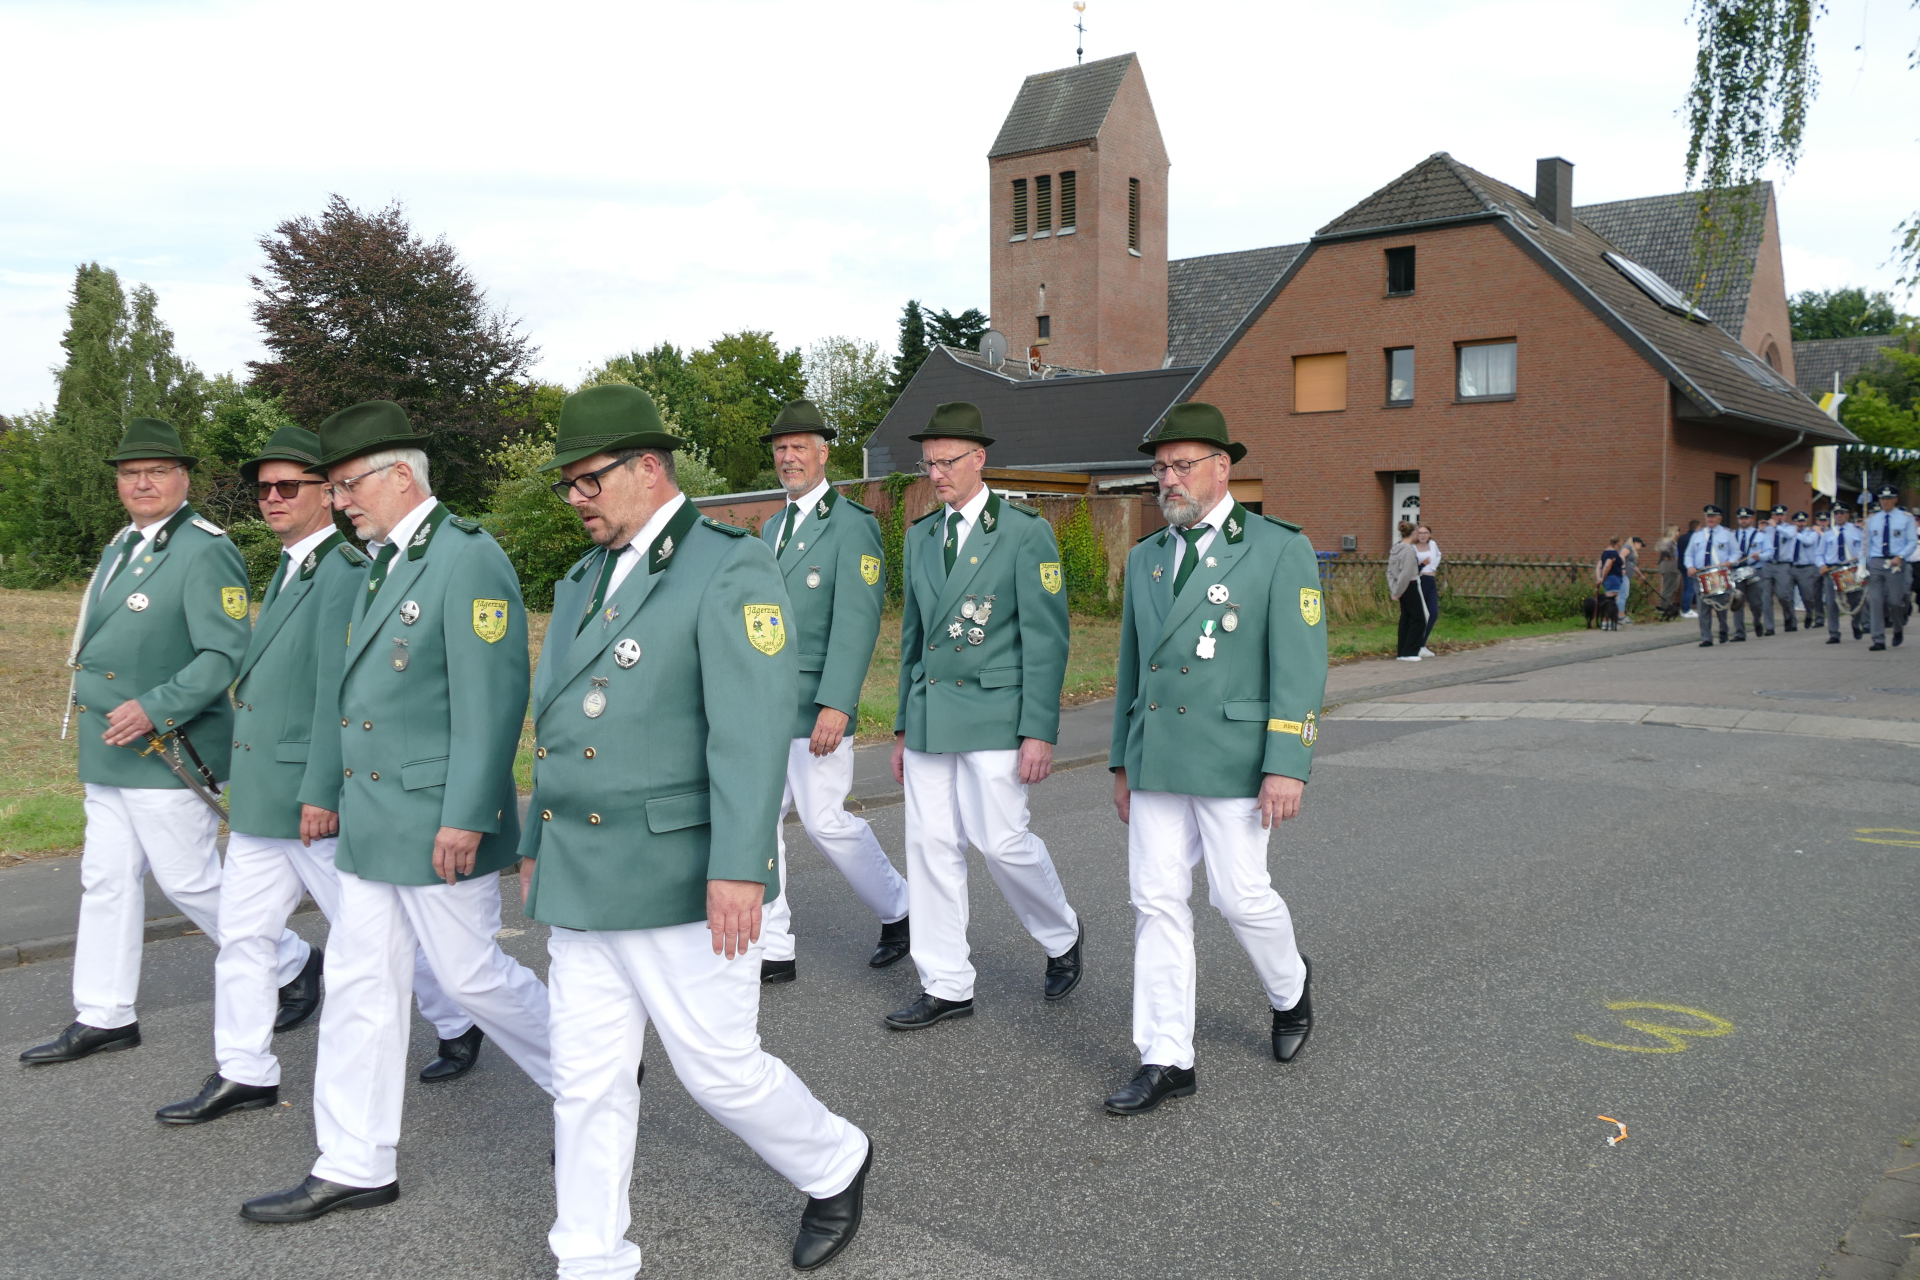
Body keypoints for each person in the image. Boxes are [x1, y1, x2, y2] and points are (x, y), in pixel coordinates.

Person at [522, 384, 872, 1274]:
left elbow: (749, 730)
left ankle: (835, 1159)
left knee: (718, 1069)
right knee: (585, 1081)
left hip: (681, 870)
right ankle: (591, 1259)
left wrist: (742, 865)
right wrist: (535, 843)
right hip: (583, 870)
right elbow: (556, 727)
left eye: (589, 480)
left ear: (648, 466)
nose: (576, 499)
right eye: (568, 484)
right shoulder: (582, 579)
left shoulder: (727, 565)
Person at [243, 401, 551, 1224]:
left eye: (348, 484)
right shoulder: (380, 562)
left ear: (402, 477)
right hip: (374, 815)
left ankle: (589, 1072)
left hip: (435, 816)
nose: (339, 500)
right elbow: (350, 697)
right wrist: (328, 789)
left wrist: (469, 814)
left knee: (470, 976)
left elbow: (494, 698)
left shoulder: (467, 557)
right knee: (358, 985)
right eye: (337, 487)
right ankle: (355, 1162)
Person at [154, 426, 478, 1126]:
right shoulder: (292, 566)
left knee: (382, 940)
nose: (271, 498)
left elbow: (344, 693)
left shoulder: (344, 571)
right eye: (262, 488)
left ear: (326, 495)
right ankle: (244, 1069)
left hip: (312, 799)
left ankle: (458, 1019)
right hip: (265, 794)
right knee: (245, 935)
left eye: (288, 486)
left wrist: (321, 791)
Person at [21, 418, 310, 1067]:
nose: (143, 483)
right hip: (109, 745)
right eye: (131, 473)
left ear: (183, 479)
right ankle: (104, 1014)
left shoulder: (205, 549)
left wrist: (156, 708)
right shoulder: (123, 544)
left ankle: (292, 962)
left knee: (188, 879)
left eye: (156, 471)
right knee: (105, 880)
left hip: (169, 748)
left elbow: (223, 652)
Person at [1102, 404, 1326, 1115]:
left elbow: (1300, 666)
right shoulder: (1147, 556)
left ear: (1222, 468)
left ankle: (1289, 987)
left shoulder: (1275, 547)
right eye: (1160, 468)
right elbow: (1132, 667)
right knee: (1155, 900)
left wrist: (1288, 760)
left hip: (1235, 755)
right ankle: (1166, 1056)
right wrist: (1121, 761)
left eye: (1182, 465)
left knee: (1239, 897)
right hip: (1158, 756)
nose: (1168, 479)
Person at [885, 401, 1083, 1030]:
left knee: (1001, 842)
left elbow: (1046, 640)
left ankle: (1061, 932)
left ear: (979, 459)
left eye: (947, 462)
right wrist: (901, 726)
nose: (935, 474)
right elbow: (913, 638)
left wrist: (1038, 731)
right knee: (929, 846)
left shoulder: (1023, 532)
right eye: (928, 463)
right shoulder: (921, 535)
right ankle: (946, 984)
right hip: (930, 714)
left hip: (996, 711)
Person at [755, 399, 909, 983]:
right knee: (759, 819)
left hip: (816, 704)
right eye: (781, 448)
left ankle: (900, 907)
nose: (788, 457)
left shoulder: (852, 525)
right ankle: (773, 947)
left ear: (824, 453)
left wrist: (838, 702)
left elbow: (856, 621)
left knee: (824, 820)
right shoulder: (771, 528)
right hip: (765, 704)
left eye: (799, 447)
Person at [1860, 484, 1915, 650]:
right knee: (1875, 601)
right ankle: (1878, 639)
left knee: (1895, 601)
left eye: (1889, 498)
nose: (1886, 502)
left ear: (1895, 499)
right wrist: (1863, 565)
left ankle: (1898, 628)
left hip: (1895, 562)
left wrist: (1901, 556)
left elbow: (1912, 541)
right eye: (1883, 499)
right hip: (1876, 562)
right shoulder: (1872, 520)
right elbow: (1866, 545)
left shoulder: (1906, 518)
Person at [1683, 504, 1736, 647]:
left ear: (1719, 518)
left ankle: (1723, 629)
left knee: (1720, 606)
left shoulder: (1727, 534)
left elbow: (1736, 552)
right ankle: (1706, 637)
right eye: (1708, 516)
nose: (1710, 519)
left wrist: (1730, 562)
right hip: (1701, 575)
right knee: (1703, 607)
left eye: (1713, 516)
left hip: (1718, 574)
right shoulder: (1697, 535)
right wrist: (1690, 566)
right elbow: (1689, 554)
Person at [1818, 505, 1865, 645]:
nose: (1839, 516)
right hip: (1832, 570)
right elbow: (1819, 553)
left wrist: (1861, 564)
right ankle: (1834, 633)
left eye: (1842, 513)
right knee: (1831, 603)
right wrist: (1821, 564)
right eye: (1836, 513)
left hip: (1849, 570)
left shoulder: (1857, 531)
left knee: (1854, 600)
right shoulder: (1828, 533)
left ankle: (1856, 624)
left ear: (1848, 515)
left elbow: (1863, 550)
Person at [1723, 507, 1760, 641]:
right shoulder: (1731, 535)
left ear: (1751, 519)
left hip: (1753, 570)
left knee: (1755, 603)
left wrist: (1760, 557)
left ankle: (1757, 621)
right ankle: (1739, 632)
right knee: (1737, 601)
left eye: (1746, 518)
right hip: (1736, 571)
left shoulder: (1760, 535)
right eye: (1741, 518)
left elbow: (1769, 551)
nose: (1743, 521)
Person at [1388, 521, 1422, 661]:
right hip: (1409, 585)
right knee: (1418, 619)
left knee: (1406, 619)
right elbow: (1406, 573)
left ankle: (1402, 651)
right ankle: (1410, 652)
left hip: (1400, 586)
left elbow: (1390, 572)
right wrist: (1398, 591)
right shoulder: (1409, 550)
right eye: (1417, 532)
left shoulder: (1395, 549)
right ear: (1413, 533)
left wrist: (1394, 589)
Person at [1762, 505, 1797, 634]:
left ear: (1785, 516)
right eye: (1776, 515)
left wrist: (1776, 527)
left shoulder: (1790, 528)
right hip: (1768, 564)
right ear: (1772, 516)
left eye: (1782, 515)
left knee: (1783, 595)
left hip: (1783, 565)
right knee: (1766, 597)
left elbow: (1790, 535)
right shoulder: (1767, 529)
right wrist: (1761, 530)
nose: (1779, 517)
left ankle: (1789, 618)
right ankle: (1769, 627)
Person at [1789, 511, 1824, 631]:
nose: (1800, 524)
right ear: (1794, 522)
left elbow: (1808, 542)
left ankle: (1809, 614)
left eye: (1803, 521)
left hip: (1806, 568)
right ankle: (1791, 622)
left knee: (1808, 596)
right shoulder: (1789, 533)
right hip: (1791, 567)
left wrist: (1795, 534)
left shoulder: (1812, 533)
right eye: (1798, 521)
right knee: (1787, 596)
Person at [1411, 524, 1440, 655]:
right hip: (1419, 581)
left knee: (1433, 613)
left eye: (1425, 533)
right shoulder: (1413, 548)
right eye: (1420, 533)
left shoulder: (1433, 545)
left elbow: (1438, 556)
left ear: (1430, 535)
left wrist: (1432, 568)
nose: (1422, 535)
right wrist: (1422, 566)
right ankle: (1415, 645)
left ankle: (1422, 645)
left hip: (1431, 580)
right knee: (1420, 614)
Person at [1595, 536, 1624, 621]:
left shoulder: (1605, 552)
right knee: (1611, 602)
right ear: (1617, 543)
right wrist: (1603, 577)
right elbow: (1608, 565)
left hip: (1608, 580)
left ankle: (1608, 620)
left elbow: (1599, 566)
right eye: (1621, 542)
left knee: (1608, 600)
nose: (1622, 544)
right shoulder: (1613, 553)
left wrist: (1599, 578)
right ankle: (1607, 620)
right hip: (1613, 579)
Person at [1656, 526, 1682, 617]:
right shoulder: (1668, 542)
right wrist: (1670, 556)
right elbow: (1664, 549)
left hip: (1673, 568)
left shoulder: (1672, 542)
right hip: (1669, 568)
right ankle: (1665, 608)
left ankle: (1669, 608)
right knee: (1668, 589)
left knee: (1673, 589)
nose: (1678, 532)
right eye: (1677, 531)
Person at [1618, 536, 1644, 623]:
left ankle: (1619, 614)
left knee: (1623, 594)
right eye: (1640, 545)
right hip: (1624, 575)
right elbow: (1621, 555)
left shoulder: (1632, 552)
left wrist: (1641, 575)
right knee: (1623, 594)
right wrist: (1623, 568)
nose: (1640, 548)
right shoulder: (1628, 547)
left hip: (1627, 575)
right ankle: (1621, 616)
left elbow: (1633, 566)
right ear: (1635, 543)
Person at [1679, 519, 1701, 617]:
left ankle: (1685, 608)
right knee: (1690, 587)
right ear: (1697, 527)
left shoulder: (1682, 537)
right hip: (1691, 566)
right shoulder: (1695, 538)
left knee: (1686, 587)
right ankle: (1687, 609)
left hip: (1682, 565)